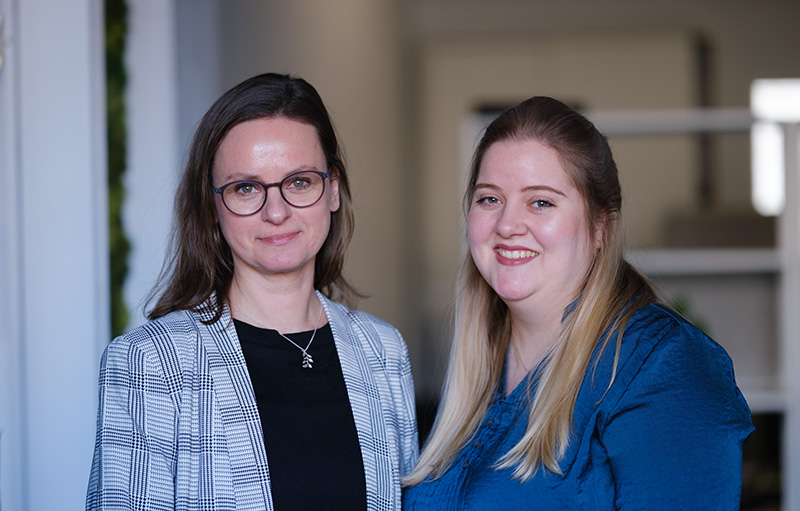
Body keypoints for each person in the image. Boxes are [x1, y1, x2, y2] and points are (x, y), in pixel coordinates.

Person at [86, 72, 418, 511]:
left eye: (299, 181)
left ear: (333, 190)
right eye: (246, 188)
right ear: (212, 207)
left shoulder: (383, 352)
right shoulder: (149, 363)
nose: (276, 211)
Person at [402, 96, 753, 510]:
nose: (508, 225)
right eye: (489, 199)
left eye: (541, 202)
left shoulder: (663, 364)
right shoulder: (480, 375)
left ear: (599, 225)